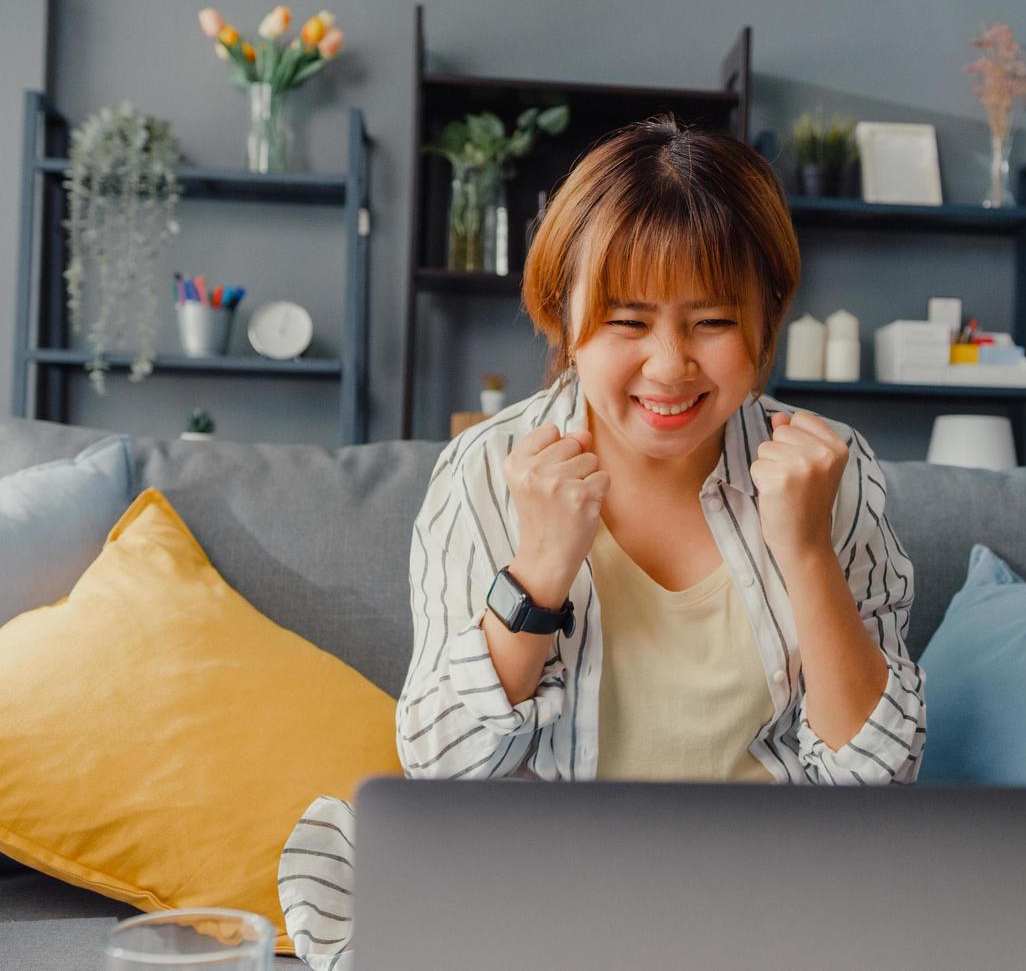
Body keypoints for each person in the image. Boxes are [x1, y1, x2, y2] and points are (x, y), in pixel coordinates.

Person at [278, 114, 923, 970]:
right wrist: (539, 569)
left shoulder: (827, 471)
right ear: (564, 316)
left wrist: (804, 551)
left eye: (711, 322)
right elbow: (438, 766)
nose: (668, 366)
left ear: (766, 319)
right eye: (626, 321)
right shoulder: (484, 471)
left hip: (764, 897)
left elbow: (876, 785)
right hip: (541, 895)